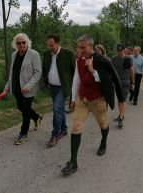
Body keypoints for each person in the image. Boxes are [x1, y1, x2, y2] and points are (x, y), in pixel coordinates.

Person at [61, 34, 125, 176]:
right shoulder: (79, 60)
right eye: (78, 47)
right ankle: (73, 162)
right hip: (82, 99)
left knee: (103, 123)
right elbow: (76, 80)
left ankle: (103, 141)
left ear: (91, 46)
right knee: (76, 126)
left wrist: (93, 71)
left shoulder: (103, 61)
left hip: (98, 100)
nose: (80, 50)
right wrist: (73, 98)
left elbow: (110, 80)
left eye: (82, 47)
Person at [4, 33, 42, 145]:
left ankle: (23, 134)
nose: (21, 45)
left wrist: (28, 86)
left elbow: (38, 73)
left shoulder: (34, 54)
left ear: (27, 42)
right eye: (18, 43)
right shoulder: (14, 54)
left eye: (23, 42)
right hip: (16, 88)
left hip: (28, 89)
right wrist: (7, 87)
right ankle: (36, 117)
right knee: (20, 107)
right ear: (15, 44)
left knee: (25, 111)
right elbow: (12, 73)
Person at [43, 35, 76, 147]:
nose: (50, 47)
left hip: (63, 87)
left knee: (56, 108)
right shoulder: (46, 54)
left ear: (58, 43)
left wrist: (74, 89)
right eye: (48, 45)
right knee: (60, 109)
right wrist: (46, 82)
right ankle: (64, 129)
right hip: (52, 87)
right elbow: (45, 69)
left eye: (51, 45)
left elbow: (74, 72)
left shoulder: (68, 54)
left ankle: (55, 135)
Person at [111, 44, 134, 128]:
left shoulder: (128, 59)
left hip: (125, 82)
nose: (119, 53)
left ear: (124, 50)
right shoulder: (113, 59)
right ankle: (121, 114)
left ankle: (121, 118)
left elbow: (131, 70)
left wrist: (132, 82)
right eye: (118, 51)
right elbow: (111, 70)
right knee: (119, 100)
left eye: (121, 51)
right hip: (117, 82)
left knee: (123, 100)